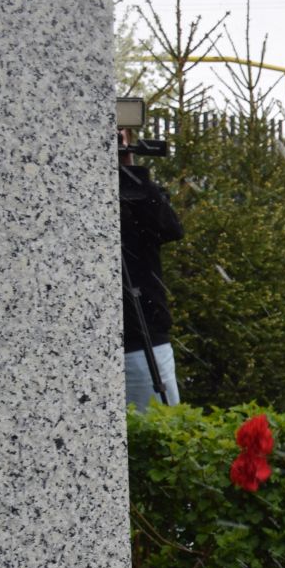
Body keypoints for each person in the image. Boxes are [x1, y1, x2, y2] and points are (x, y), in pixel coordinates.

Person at [119, 127, 183, 408]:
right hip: (98, 339)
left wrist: (128, 168)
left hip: (142, 338)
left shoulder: (137, 191)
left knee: (160, 432)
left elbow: (169, 228)